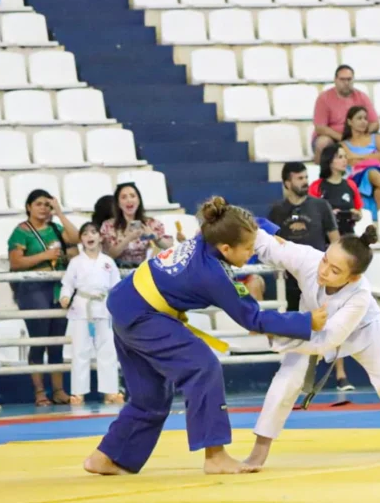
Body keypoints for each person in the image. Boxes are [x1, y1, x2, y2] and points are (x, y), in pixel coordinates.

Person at [82, 197, 327, 476]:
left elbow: (244, 223)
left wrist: (273, 233)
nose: (252, 254)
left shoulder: (209, 233)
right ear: (226, 249)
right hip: (143, 316)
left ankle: (107, 457)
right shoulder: (214, 275)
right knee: (203, 366)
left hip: (126, 303)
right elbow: (253, 319)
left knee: (150, 396)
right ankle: (215, 455)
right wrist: (307, 321)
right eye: (248, 249)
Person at [243, 225, 380, 467]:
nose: (324, 270)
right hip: (309, 326)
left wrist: (274, 334)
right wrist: (236, 224)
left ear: (353, 277)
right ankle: (260, 449)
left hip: (362, 332)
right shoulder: (308, 259)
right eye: (325, 260)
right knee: (287, 379)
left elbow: (326, 341)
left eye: (335, 270)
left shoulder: (360, 295)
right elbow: (266, 244)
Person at [270, 162, 358, 391]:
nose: (305, 182)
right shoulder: (277, 211)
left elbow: (335, 240)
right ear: (287, 183)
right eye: (299, 178)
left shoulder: (320, 206)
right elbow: (273, 244)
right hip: (290, 279)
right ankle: (296, 378)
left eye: (305, 177)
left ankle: (340, 375)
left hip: (321, 276)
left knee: (333, 324)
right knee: (296, 327)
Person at [8, 189, 80, 407]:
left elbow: (76, 238)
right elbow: (16, 263)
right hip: (32, 289)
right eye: (39, 204)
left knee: (57, 340)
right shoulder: (20, 232)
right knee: (38, 339)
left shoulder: (56, 228)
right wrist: (44, 256)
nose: (43, 208)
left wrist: (60, 213)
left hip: (57, 288)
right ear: (28, 207)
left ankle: (58, 391)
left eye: (47, 205)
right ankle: (40, 391)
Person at [60, 222, 124, 405]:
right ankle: (78, 392)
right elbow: (67, 283)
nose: (90, 236)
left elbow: (116, 286)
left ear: (100, 237)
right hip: (82, 307)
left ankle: (110, 391)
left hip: (104, 307)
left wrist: (119, 304)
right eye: (85, 233)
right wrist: (65, 296)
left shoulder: (108, 262)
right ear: (81, 239)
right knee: (80, 350)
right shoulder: (76, 262)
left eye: (94, 232)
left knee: (108, 350)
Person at [100, 183, 174, 269]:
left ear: (139, 200)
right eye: (124, 197)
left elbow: (170, 247)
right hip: (118, 270)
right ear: (118, 203)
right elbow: (109, 255)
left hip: (144, 270)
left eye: (132, 196)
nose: (129, 200)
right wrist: (128, 238)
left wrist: (154, 236)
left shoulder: (151, 223)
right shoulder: (109, 226)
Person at [309, 143, 364, 237]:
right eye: (340, 157)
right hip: (324, 236)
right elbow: (310, 214)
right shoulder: (316, 186)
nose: (344, 160)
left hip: (348, 235)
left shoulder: (351, 184)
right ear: (329, 161)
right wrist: (329, 215)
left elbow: (359, 213)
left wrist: (356, 215)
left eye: (345, 157)